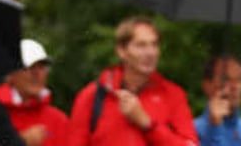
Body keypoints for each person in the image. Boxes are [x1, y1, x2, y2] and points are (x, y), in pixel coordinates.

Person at [67, 16, 197, 146]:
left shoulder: (173, 95)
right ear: (121, 51)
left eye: (154, 44)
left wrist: (147, 124)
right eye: (141, 45)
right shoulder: (92, 96)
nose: (150, 52)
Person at [0, 39, 69, 146]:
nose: (37, 73)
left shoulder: (59, 120)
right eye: (29, 67)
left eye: (42, 67)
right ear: (10, 74)